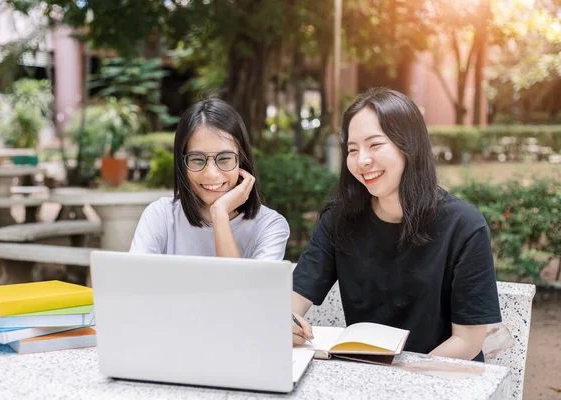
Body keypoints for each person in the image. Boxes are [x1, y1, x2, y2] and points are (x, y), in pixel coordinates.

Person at [291, 88, 501, 361]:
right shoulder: (339, 220)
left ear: (409, 145)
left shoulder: (463, 225)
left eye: (375, 145)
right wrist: (287, 322)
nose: (362, 160)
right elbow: (294, 300)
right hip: (367, 372)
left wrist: (402, 381)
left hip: (439, 378)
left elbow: (467, 341)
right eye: (352, 149)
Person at [130, 98, 289, 260]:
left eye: (224, 159)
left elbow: (238, 285)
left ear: (241, 160)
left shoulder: (270, 226)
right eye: (197, 159)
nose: (211, 174)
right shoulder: (160, 216)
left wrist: (220, 214)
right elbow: (135, 280)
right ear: (181, 163)